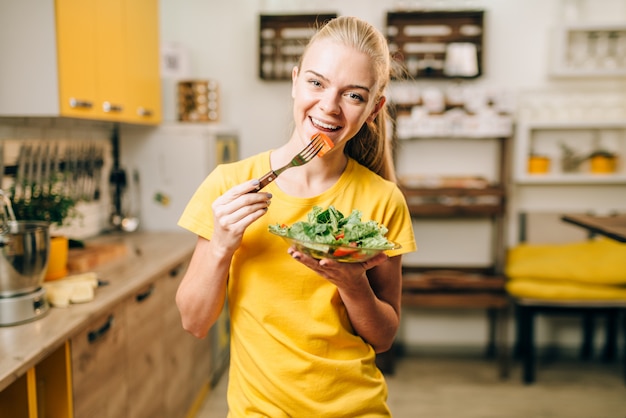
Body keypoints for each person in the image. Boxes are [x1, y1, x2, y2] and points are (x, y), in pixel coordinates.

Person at [176, 15, 417, 417]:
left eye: (353, 95)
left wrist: (353, 284)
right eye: (316, 82)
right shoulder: (228, 185)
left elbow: (384, 337)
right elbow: (194, 323)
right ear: (294, 80)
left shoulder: (383, 200)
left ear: (374, 108)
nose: (329, 106)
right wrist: (221, 244)